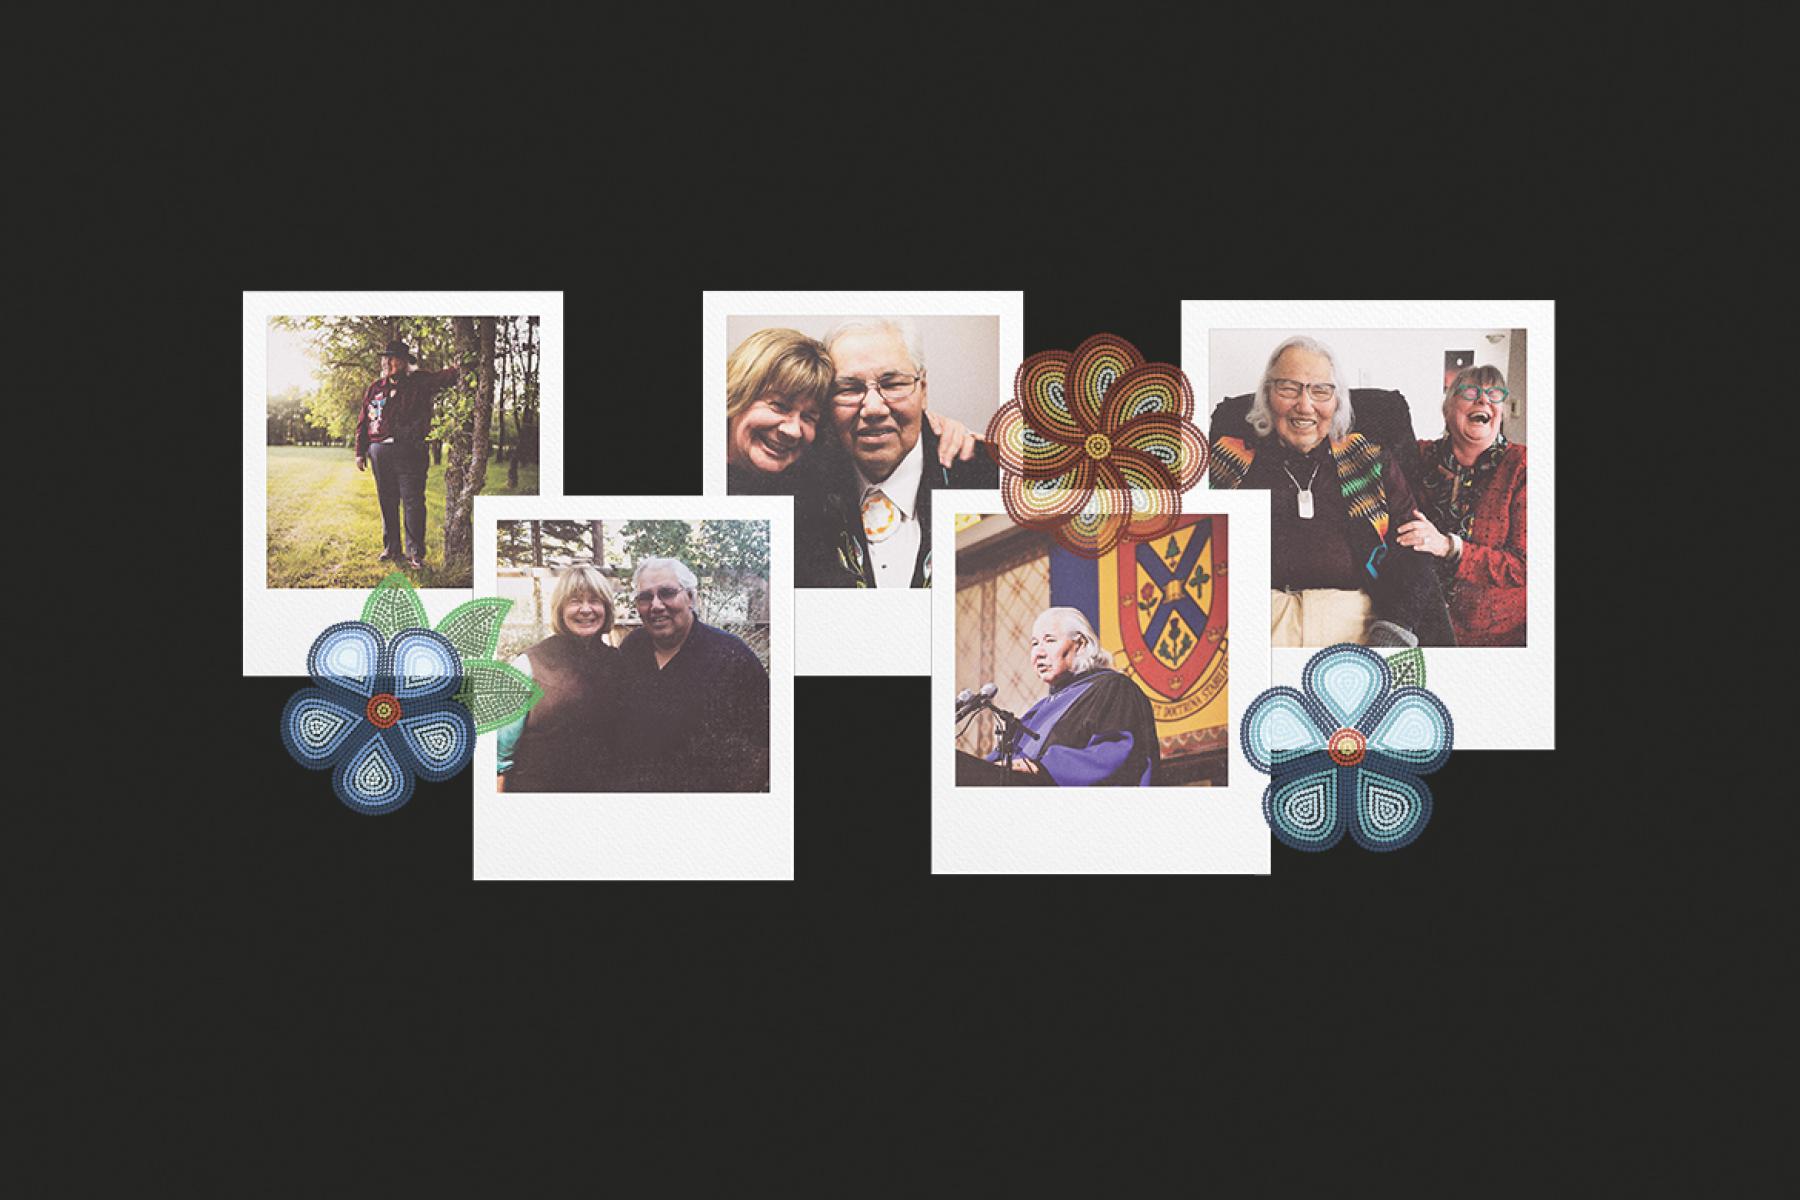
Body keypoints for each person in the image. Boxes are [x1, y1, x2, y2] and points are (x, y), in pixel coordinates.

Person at [1209, 335, 1451, 647]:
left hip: (1360, 630)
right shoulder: (1224, 461)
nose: (1305, 405)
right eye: (1288, 388)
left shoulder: (1370, 459)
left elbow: (1412, 551)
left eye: (1320, 391)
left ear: (1336, 401)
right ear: (1268, 394)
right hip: (1256, 627)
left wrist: (1393, 631)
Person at [795, 318, 1000, 587]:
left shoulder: (992, 474)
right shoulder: (800, 492)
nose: (874, 408)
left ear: (923, 390)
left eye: (893, 384)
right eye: (849, 389)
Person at [727, 326, 983, 496]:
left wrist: (935, 428)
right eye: (779, 406)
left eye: (809, 417)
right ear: (737, 391)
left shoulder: (814, 462)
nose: (793, 430)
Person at [1395, 365, 1527, 646]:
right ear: (1447, 409)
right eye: (1470, 392)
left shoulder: (1522, 467)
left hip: (1495, 639)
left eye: (1494, 393)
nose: (1483, 400)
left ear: (1501, 412)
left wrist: (1449, 546)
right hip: (1423, 624)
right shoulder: (1419, 456)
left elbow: (1525, 566)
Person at [613, 557, 770, 792]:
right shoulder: (632, 649)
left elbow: (766, 739)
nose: (655, 605)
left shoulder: (731, 656)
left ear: (691, 597)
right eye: (645, 597)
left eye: (666, 592)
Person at [984, 607, 1161, 786]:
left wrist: (1044, 767)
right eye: (1035, 643)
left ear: (1081, 644)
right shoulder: (1036, 712)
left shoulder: (1112, 688)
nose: (1038, 653)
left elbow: (1116, 753)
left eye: (1049, 640)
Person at [495, 564, 621, 793]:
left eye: (594, 600)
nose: (586, 609)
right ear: (560, 609)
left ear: (606, 608)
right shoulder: (528, 665)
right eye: (575, 601)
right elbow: (500, 754)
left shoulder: (620, 664)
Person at [353, 339, 461, 570]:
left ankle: (415, 553)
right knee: (387, 501)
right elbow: (363, 420)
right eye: (384, 358)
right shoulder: (375, 388)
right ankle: (392, 548)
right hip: (379, 451)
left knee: (413, 502)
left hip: (410, 451)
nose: (386, 362)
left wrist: (458, 367)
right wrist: (360, 452)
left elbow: (445, 378)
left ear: (402, 361)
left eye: (391, 358)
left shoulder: (418, 382)